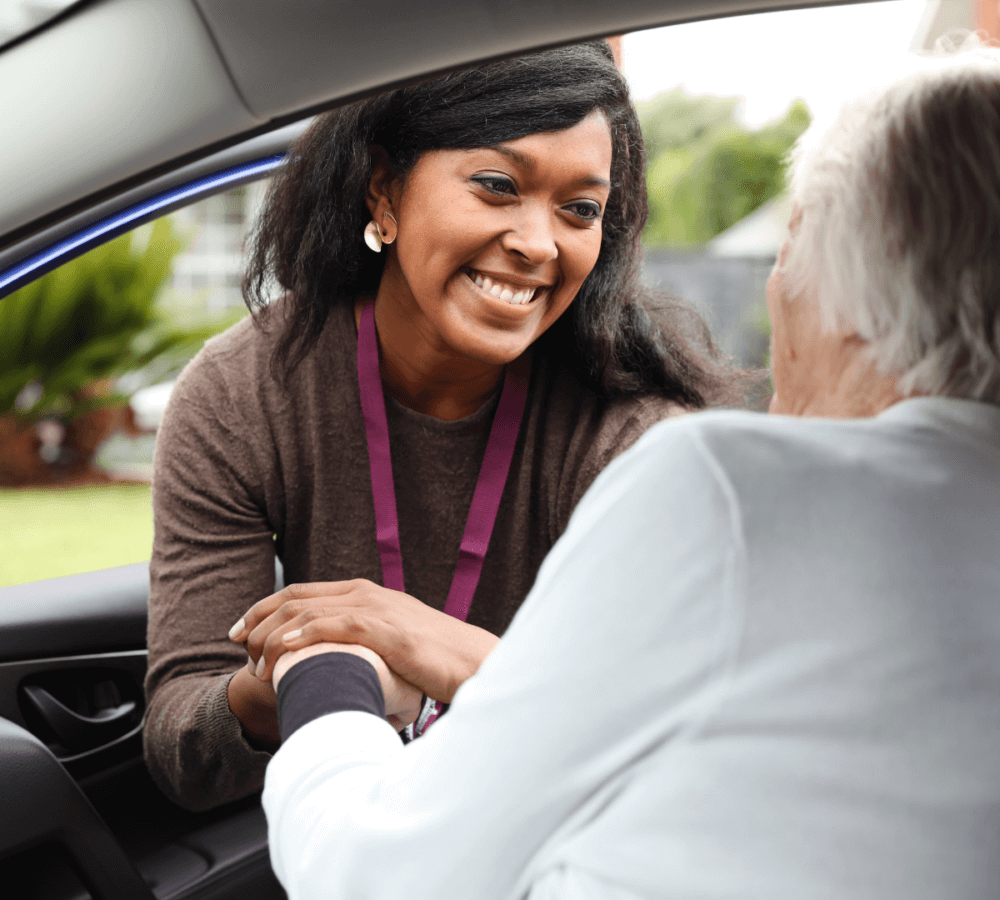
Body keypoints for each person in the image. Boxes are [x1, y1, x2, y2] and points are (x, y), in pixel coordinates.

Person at [248, 39, 1000, 899]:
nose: (536, 243)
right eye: (496, 184)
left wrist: (328, 677)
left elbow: (376, 877)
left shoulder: (733, 492)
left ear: (856, 287)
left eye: (791, 245)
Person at [143, 40, 748, 811]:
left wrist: (436, 646)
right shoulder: (243, 394)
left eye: (580, 210)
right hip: (339, 826)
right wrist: (318, 672)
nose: (538, 243)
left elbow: (675, 747)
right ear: (384, 193)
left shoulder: (634, 434)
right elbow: (181, 746)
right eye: (497, 186)